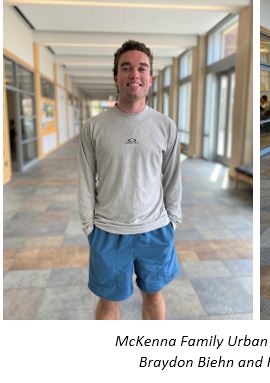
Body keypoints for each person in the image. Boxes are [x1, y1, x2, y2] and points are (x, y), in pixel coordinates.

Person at [78, 40, 182, 320]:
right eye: (126, 68)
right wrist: (90, 227)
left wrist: (172, 221)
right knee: (109, 300)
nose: (134, 74)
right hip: (108, 232)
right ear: (116, 77)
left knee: (154, 294)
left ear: (150, 78)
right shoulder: (94, 127)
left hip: (156, 229)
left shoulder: (165, 126)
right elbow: (86, 181)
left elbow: (172, 178)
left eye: (141, 68)